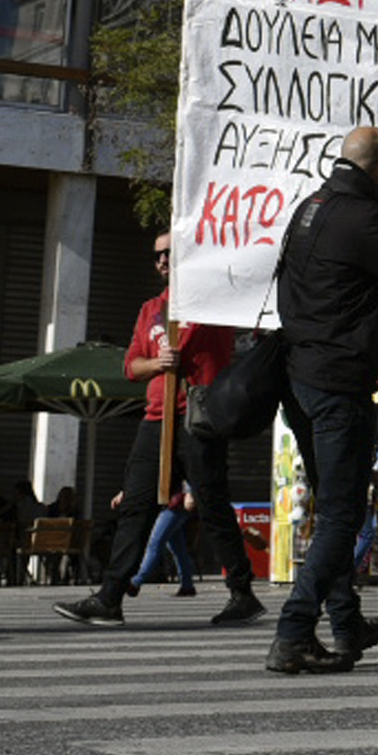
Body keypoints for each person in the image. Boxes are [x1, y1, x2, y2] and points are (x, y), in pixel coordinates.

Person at [265, 126, 378, 675]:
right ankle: (293, 632)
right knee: (342, 518)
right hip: (337, 385)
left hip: (298, 379)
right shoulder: (360, 219)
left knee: (332, 511)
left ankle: (345, 625)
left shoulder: (313, 207)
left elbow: (354, 254)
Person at [53, 231, 250, 628]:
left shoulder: (214, 301)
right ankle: (110, 597)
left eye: (170, 253)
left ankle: (242, 594)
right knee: (135, 508)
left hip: (199, 419)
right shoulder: (150, 310)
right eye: (158, 255)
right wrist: (158, 362)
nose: (162, 260)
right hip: (156, 419)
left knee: (211, 505)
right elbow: (131, 367)